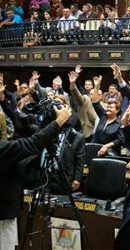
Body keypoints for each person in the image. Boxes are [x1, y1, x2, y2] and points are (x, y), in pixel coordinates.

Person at [0, 74, 72, 250]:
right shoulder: (4, 148)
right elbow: (32, 143)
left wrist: (3, 101)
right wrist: (58, 121)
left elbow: (19, 120)